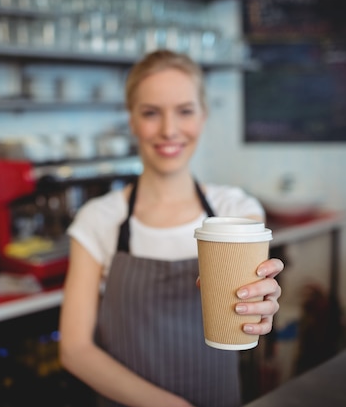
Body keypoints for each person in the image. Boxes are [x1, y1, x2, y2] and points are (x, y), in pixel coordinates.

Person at [59, 49, 284, 407]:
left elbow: (252, 303)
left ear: (204, 116)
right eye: (150, 113)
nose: (169, 130)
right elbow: (74, 349)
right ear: (131, 121)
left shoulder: (235, 211)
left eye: (184, 111)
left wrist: (262, 305)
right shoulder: (98, 219)